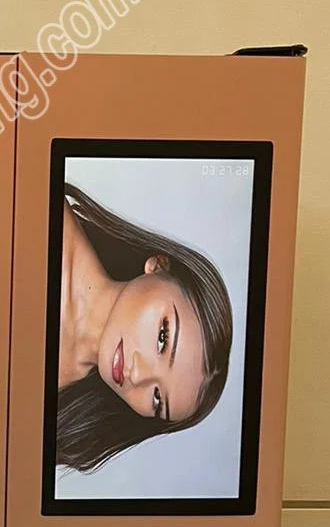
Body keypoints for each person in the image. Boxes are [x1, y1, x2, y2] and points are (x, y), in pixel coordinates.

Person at [57, 182, 234, 473]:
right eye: (163, 338)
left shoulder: (67, 424)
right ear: (159, 265)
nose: (136, 375)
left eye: (156, 399)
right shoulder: (39, 209)